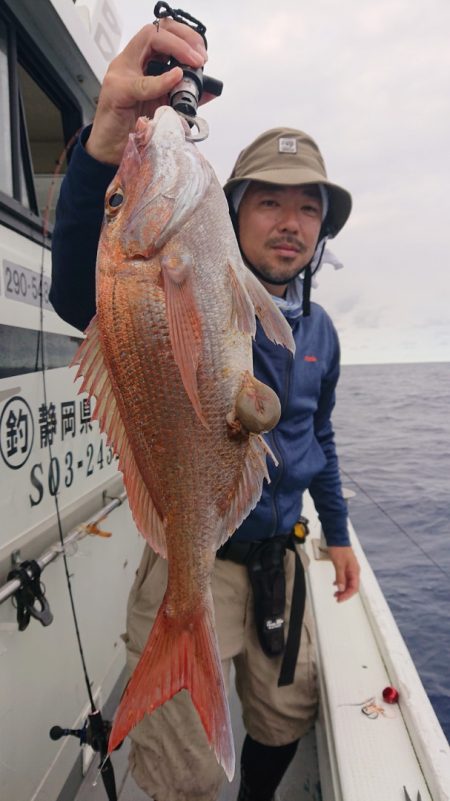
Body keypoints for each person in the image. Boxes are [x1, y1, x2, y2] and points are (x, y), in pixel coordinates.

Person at [50, 17, 360, 801]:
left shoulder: (318, 328)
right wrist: (108, 143)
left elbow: (318, 433)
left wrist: (342, 538)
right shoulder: (170, 267)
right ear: (233, 207)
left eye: (309, 209)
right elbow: (78, 288)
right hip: (194, 553)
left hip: (280, 559)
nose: (290, 223)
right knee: (184, 766)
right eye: (270, 203)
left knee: (283, 717)